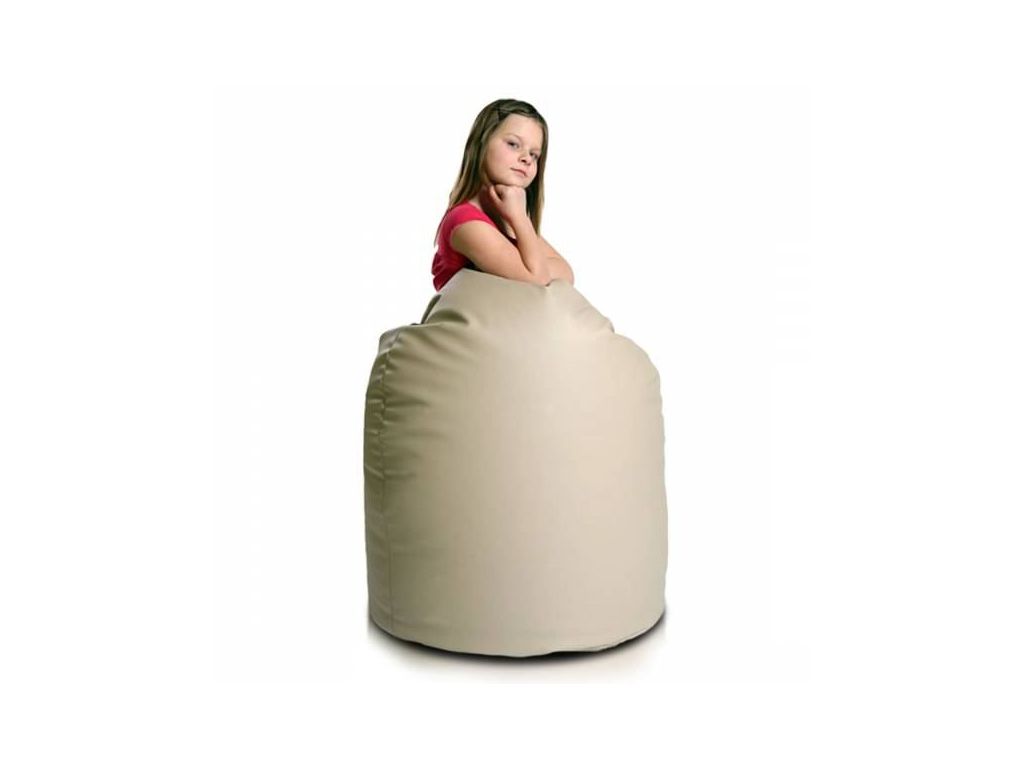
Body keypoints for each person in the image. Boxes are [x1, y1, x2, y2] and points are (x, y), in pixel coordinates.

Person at [431, 99, 575, 292]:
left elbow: (566, 273)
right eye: (513, 144)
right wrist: (520, 218)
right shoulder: (465, 222)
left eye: (534, 154)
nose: (526, 158)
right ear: (481, 143)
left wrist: (518, 224)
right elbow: (538, 280)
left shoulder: (508, 219)